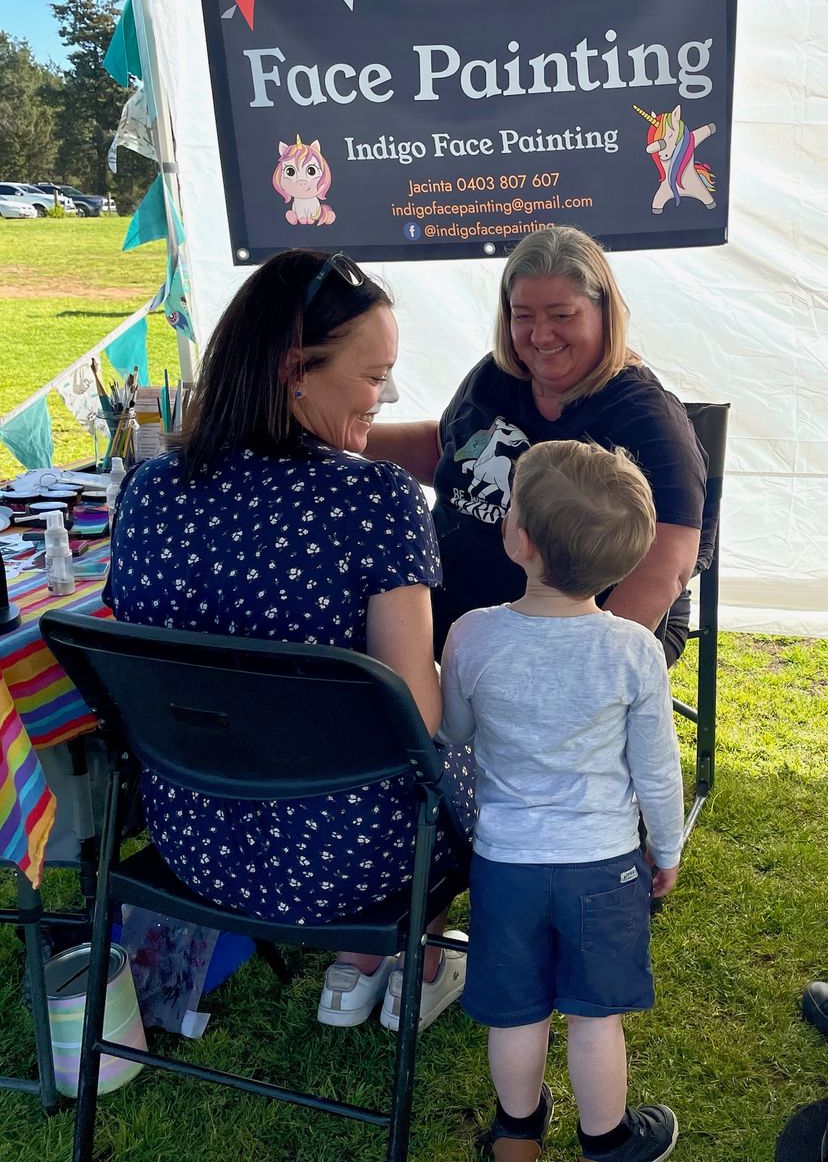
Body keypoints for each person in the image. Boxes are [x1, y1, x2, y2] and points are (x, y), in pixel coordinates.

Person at [103, 249, 473, 1031]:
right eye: (374, 377)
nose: (387, 396)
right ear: (292, 370)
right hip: (348, 868)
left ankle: (370, 964)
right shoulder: (378, 499)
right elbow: (418, 715)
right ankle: (419, 958)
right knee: (483, 734)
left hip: (193, 844)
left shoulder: (150, 487)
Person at [438, 440, 685, 1162]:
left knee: (516, 1013)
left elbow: (454, 732)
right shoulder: (634, 650)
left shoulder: (472, 635)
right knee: (594, 1015)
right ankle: (606, 1141)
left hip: (505, 863)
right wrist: (665, 848)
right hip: (603, 867)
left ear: (520, 538)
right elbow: (658, 770)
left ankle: (516, 1134)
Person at [366, 225, 708, 664]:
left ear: (604, 312)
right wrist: (346, 436)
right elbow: (447, 451)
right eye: (522, 315)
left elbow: (668, 562)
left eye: (561, 315)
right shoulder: (495, 375)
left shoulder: (645, 414)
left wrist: (583, 665)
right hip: (455, 616)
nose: (540, 336)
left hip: (567, 632)